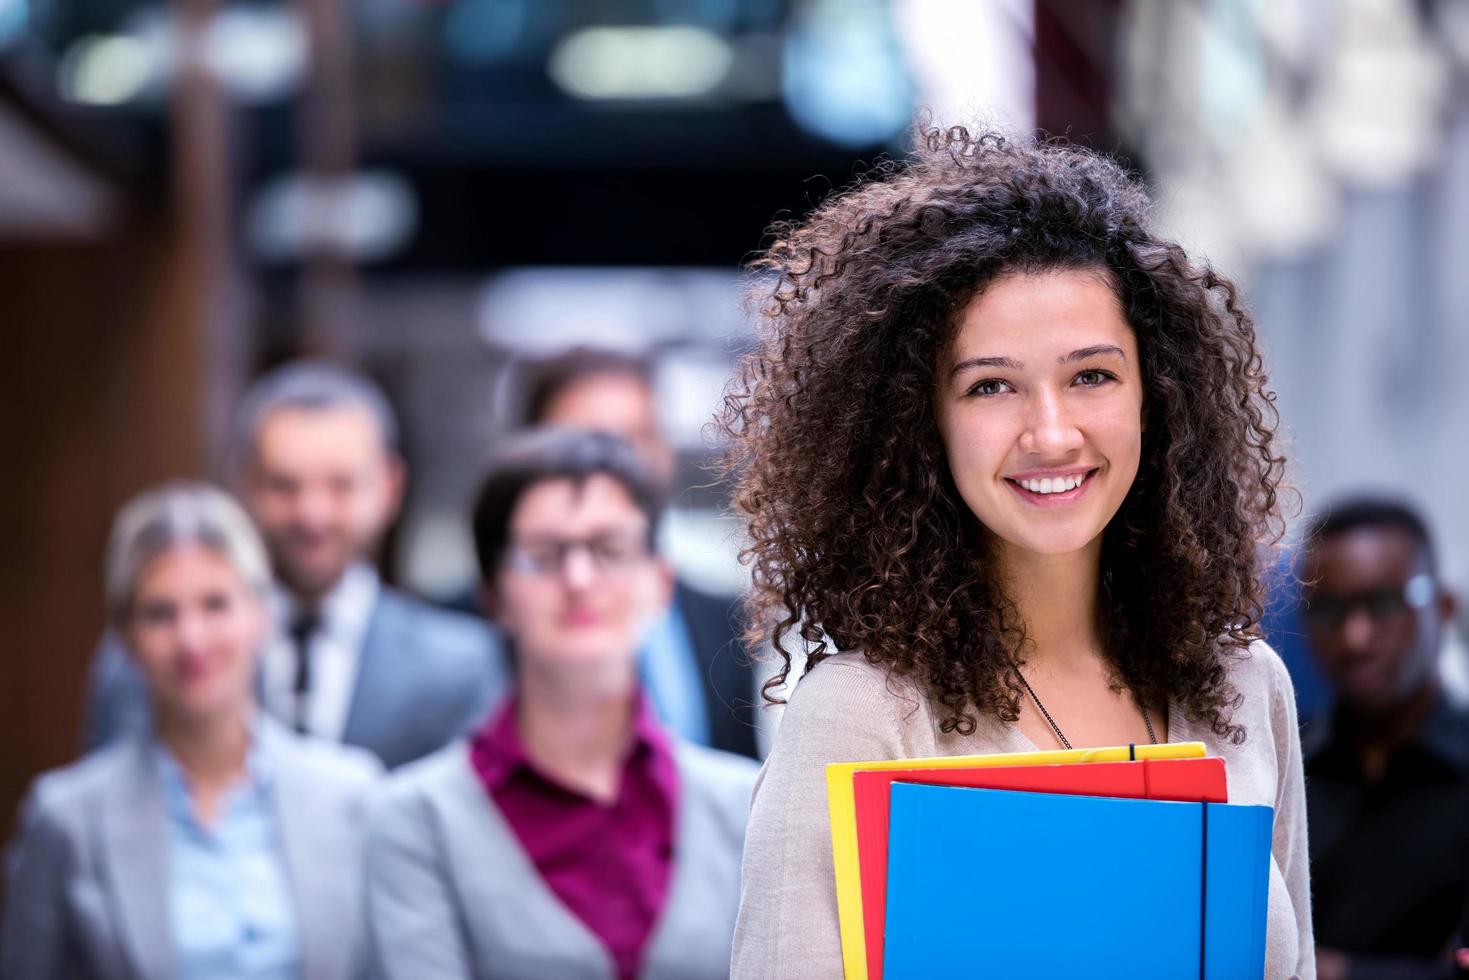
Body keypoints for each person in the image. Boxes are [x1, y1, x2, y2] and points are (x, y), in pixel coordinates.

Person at [721, 127, 1314, 978]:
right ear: (920, 424)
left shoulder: (1246, 688)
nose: (1050, 431)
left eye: (1092, 376)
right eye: (989, 386)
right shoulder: (862, 715)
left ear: (1158, 396)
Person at [365, 429, 757, 979]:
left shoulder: (745, 808)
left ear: (660, 583)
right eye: (543, 556)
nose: (578, 579)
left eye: (610, 550)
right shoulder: (413, 820)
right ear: (493, 595)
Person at [3, 483, 381, 980]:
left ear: (261, 614)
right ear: (125, 636)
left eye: (216, 604)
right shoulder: (66, 821)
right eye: (160, 614)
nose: (192, 640)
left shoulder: (351, 797)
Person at [86, 360, 507, 769]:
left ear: (389, 487)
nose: (312, 514)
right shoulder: (160, 649)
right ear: (243, 484)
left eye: (340, 486)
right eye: (284, 486)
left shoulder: (460, 667)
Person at [518, 347, 759, 759]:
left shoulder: (728, 624)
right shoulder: (466, 627)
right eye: (589, 442)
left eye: (639, 437)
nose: (619, 463)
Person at [1299, 498, 1466, 980]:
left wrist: (1336, 973)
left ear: (1444, 607)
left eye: (1384, 604)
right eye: (1329, 610)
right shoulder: (1282, 763)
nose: (1356, 636)